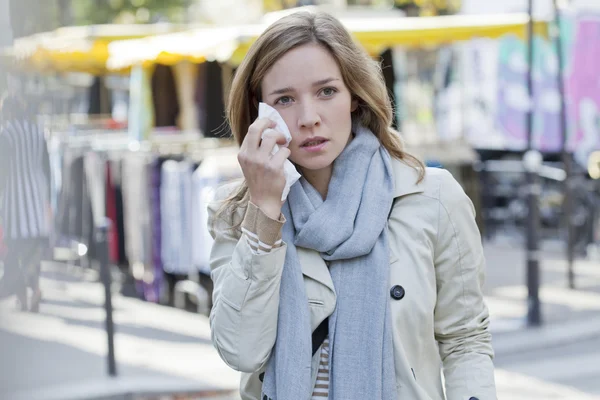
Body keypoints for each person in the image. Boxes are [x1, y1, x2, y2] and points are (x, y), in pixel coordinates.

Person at [207, 10, 496, 400]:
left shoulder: (432, 197)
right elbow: (240, 350)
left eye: (326, 91)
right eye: (285, 99)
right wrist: (264, 208)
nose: (309, 118)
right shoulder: (239, 212)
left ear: (355, 97)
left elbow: (464, 340)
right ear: (262, 112)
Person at [0, 91, 51, 312]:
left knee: (15, 249)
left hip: (14, 198)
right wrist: (47, 198)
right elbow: (46, 168)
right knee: (33, 249)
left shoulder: (6, 134)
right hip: (36, 195)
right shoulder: (37, 132)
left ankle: (21, 294)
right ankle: (35, 290)